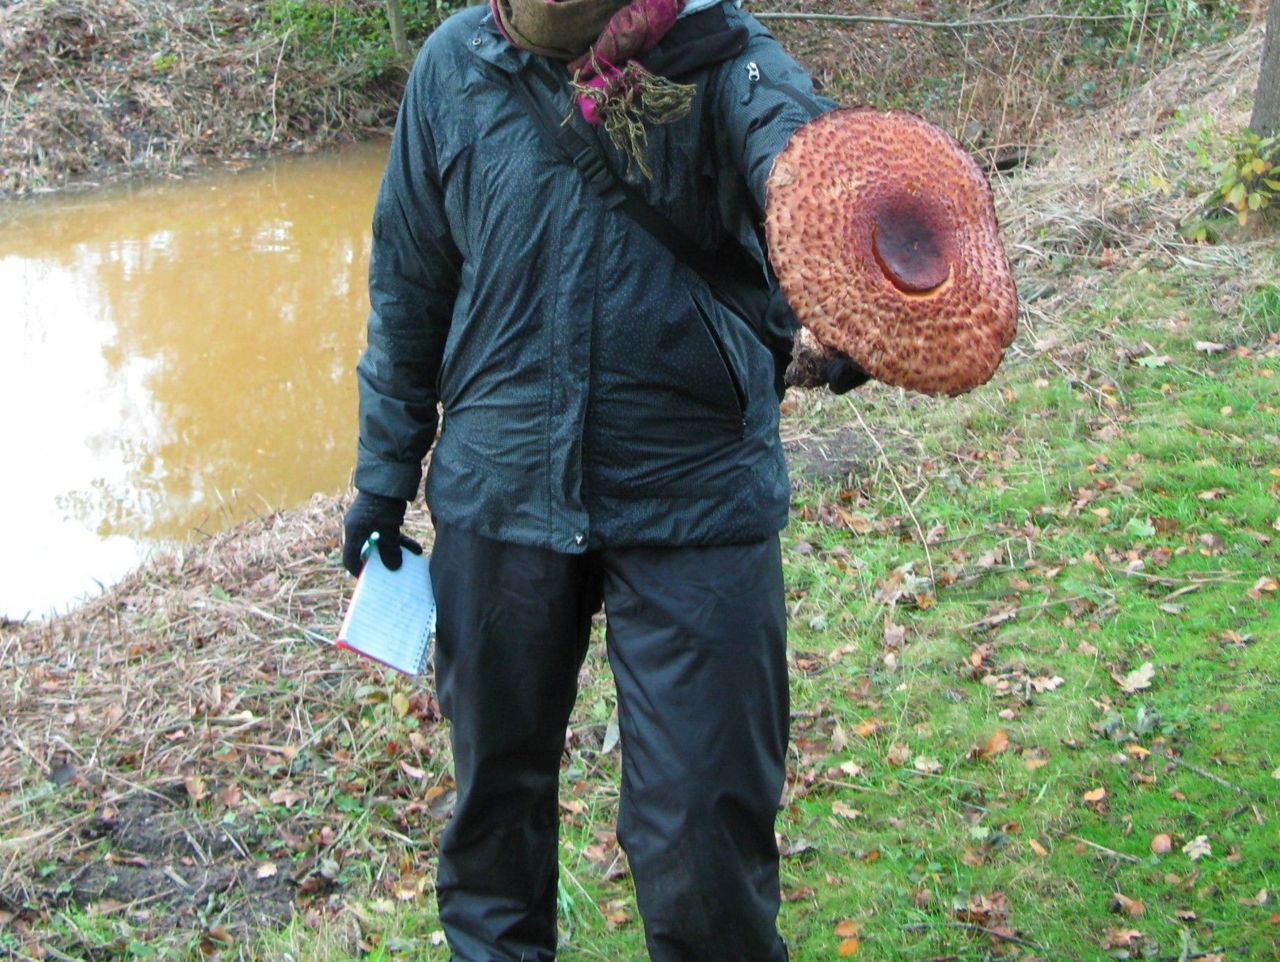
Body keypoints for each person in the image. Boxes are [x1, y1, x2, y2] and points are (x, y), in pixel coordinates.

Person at [342, 1, 865, 959]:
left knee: (702, 838)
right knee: (494, 816)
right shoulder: (456, 66)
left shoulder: (719, 52)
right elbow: (409, 283)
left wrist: (852, 277)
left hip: (696, 494)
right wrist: (382, 477)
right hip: (499, 492)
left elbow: (805, 165)